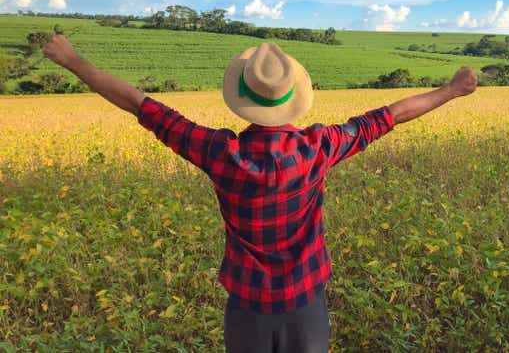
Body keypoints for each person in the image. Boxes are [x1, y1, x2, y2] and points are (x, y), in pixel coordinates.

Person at [43, 35, 477, 352]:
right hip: (306, 302)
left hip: (246, 305)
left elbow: (142, 105)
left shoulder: (219, 152)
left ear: (243, 98)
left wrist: (74, 61)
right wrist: (452, 90)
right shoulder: (318, 147)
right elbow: (390, 116)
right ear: (292, 98)